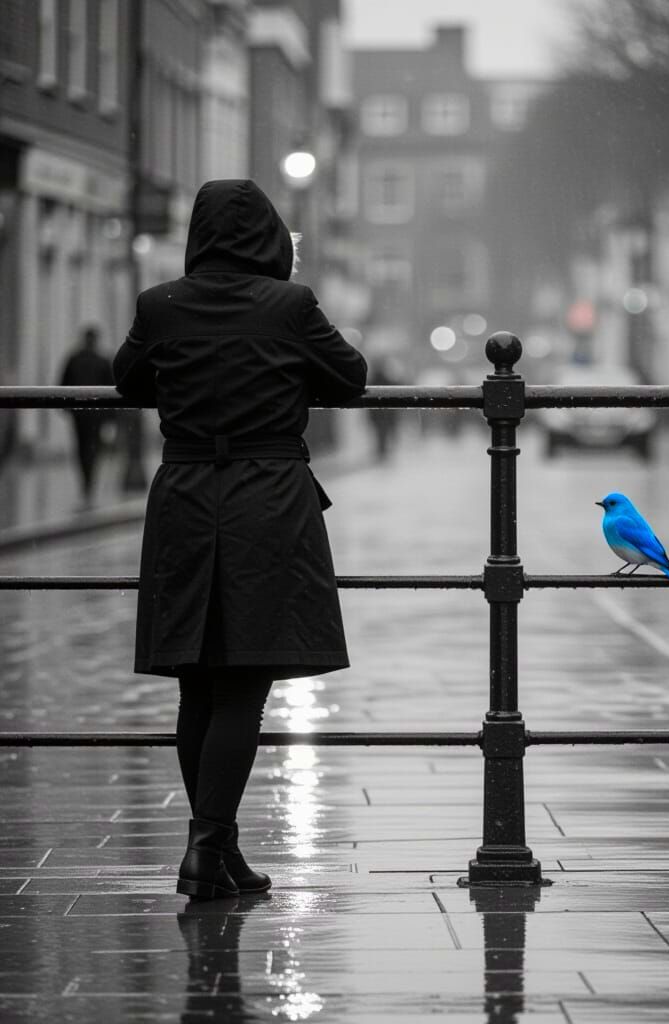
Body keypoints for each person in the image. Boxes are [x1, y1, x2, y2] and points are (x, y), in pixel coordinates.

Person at [113, 179, 367, 900]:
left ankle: (217, 852)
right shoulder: (290, 306)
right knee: (243, 684)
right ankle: (206, 847)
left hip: (186, 494)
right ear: (269, 237)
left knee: (196, 682)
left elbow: (128, 381)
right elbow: (350, 378)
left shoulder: (160, 305)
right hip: (267, 498)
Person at [59, 325, 113, 506]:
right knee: (93, 449)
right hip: (96, 415)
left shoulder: (74, 359)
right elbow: (111, 389)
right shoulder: (102, 361)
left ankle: (86, 483)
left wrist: (67, 407)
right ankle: (89, 483)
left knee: (81, 449)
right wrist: (110, 417)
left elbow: (63, 384)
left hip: (79, 413)